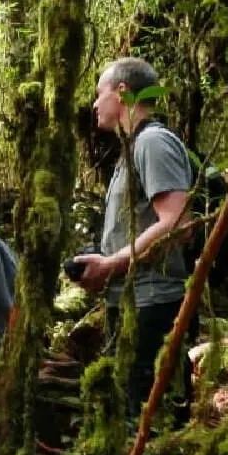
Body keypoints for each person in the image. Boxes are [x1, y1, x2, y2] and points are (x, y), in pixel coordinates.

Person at [68, 56, 196, 425]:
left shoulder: (152, 142)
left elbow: (177, 223)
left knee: (147, 417)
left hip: (151, 303)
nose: (95, 103)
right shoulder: (133, 147)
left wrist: (111, 264)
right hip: (131, 301)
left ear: (122, 92)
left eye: (100, 93)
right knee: (126, 410)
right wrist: (102, 266)